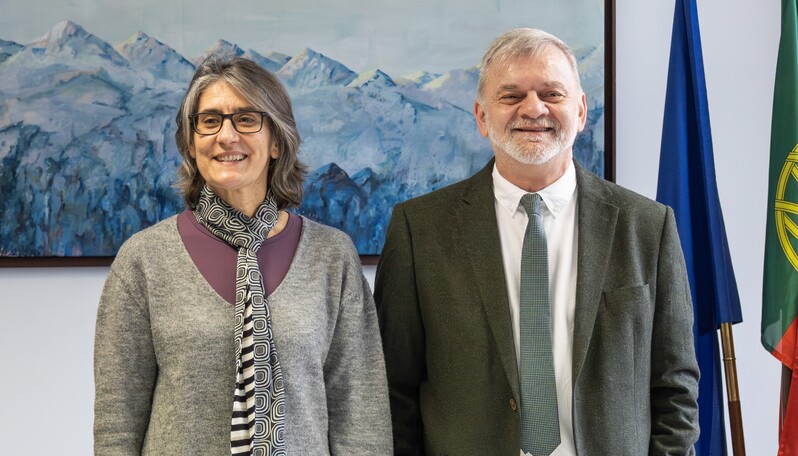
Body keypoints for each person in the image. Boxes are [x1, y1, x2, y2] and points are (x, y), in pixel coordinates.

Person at [374, 28, 699, 455]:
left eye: (552, 93)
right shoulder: (420, 230)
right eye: (511, 96)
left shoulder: (647, 227)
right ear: (481, 116)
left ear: (581, 112)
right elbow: (391, 391)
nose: (533, 108)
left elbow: (675, 388)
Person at [94, 56, 392, 455]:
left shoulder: (331, 257)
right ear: (192, 142)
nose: (226, 135)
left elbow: (361, 417)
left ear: (276, 141)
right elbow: (117, 422)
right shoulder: (144, 259)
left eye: (247, 119)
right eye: (210, 121)